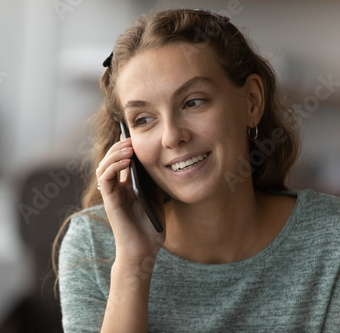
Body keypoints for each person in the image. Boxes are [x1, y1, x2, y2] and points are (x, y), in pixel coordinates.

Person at [54, 9, 340, 332]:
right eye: (143, 119)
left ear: (251, 102)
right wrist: (133, 265)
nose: (172, 136)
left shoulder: (331, 243)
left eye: (193, 102)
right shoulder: (94, 246)